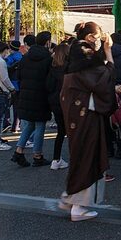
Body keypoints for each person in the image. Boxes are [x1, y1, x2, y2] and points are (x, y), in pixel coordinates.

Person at [58, 22, 116, 221]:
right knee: (88, 154)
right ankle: (79, 207)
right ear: (91, 36)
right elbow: (104, 77)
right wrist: (108, 52)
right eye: (98, 37)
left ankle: (70, 198)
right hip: (84, 110)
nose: (100, 41)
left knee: (80, 152)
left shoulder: (75, 50)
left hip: (76, 108)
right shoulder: (84, 52)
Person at [12, 31, 53, 168]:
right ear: (47, 42)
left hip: (26, 94)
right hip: (41, 95)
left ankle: (19, 150)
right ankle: (37, 155)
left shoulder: (26, 57)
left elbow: (19, 75)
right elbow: (50, 80)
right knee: (40, 125)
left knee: (29, 124)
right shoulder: (48, 58)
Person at [46, 42, 70, 170]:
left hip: (55, 102)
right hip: (68, 102)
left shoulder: (52, 68)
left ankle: (56, 159)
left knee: (61, 131)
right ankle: (78, 160)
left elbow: (48, 86)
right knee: (73, 131)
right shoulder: (70, 68)